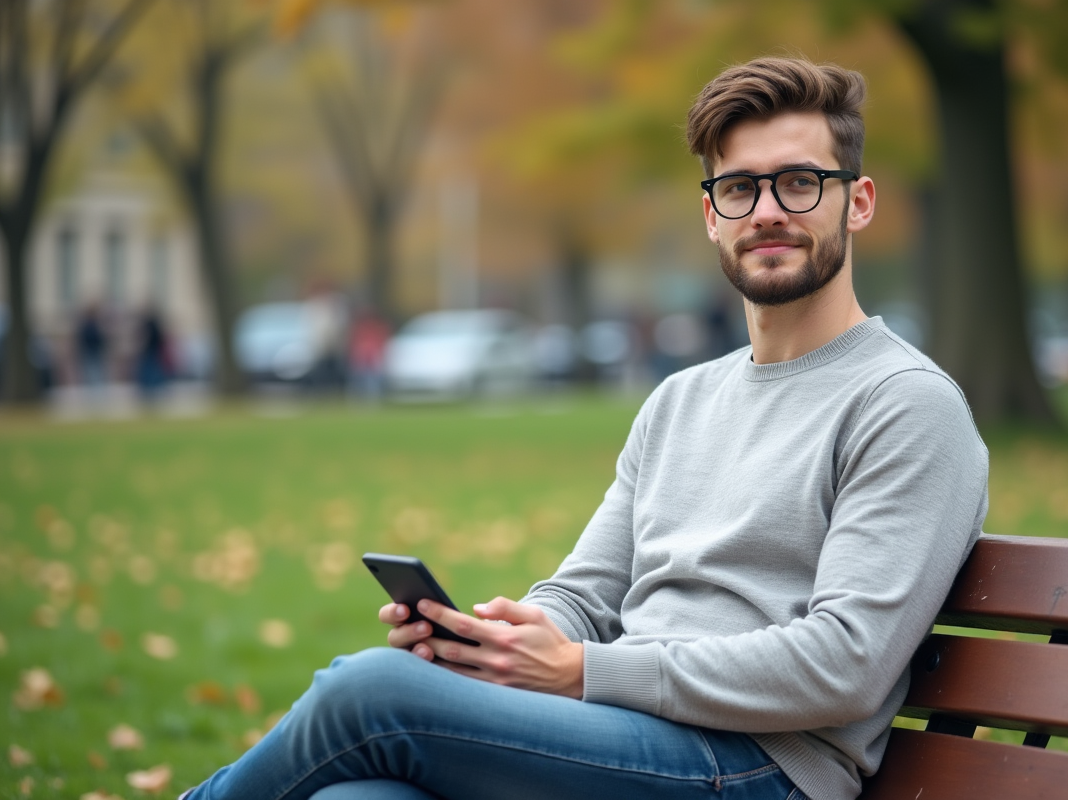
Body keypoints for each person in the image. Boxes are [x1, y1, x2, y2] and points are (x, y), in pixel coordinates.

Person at [183, 56, 988, 800]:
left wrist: (584, 672)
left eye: (800, 183)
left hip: (759, 766)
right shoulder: (680, 400)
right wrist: (496, 640)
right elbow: (584, 593)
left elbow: (844, 665)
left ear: (860, 200)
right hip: (630, 734)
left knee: (367, 695)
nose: (768, 211)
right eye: (740, 189)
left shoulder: (904, 403)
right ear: (712, 215)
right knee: (359, 797)